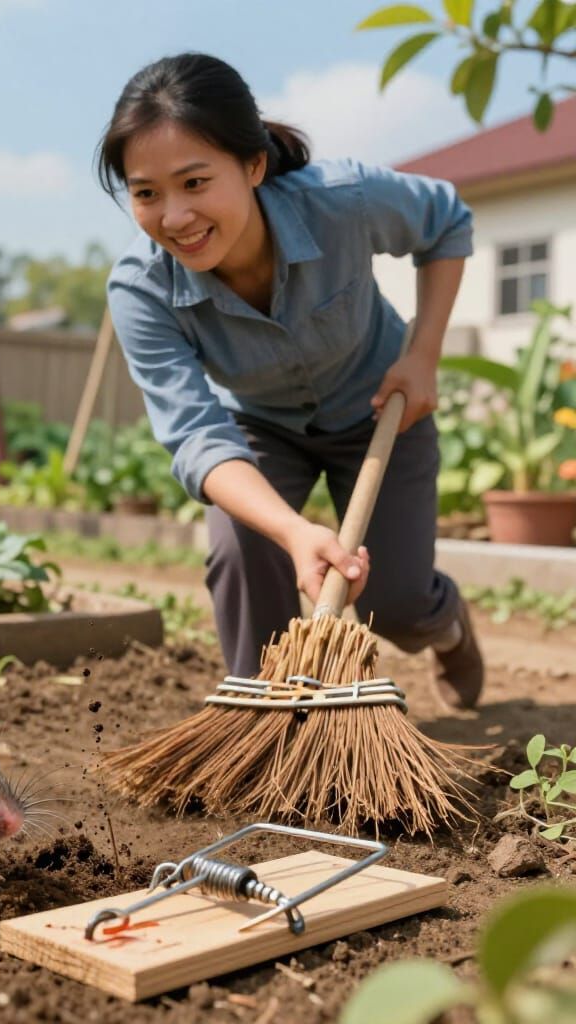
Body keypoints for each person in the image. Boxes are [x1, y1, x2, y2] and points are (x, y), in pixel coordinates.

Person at [97, 52, 483, 708]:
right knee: (241, 550)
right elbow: (197, 438)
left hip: (380, 409)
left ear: (253, 166)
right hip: (262, 426)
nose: (175, 217)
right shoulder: (141, 291)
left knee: (393, 602)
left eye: (195, 182)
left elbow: (446, 221)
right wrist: (294, 533)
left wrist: (423, 356)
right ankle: (264, 719)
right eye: (146, 193)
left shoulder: (341, 202)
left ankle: (445, 626)